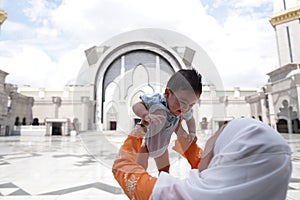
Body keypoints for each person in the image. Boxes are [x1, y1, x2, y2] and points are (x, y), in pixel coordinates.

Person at [112, 117, 292, 200]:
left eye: (212, 143)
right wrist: (179, 130)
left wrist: (141, 127)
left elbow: (122, 167)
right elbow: (205, 162)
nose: (204, 149)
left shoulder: (175, 195)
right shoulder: (266, 183)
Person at [132, 68, 202, 173]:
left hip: (162, 147)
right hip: (147, 144)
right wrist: (146, 114)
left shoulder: (184, 110)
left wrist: (192, 132)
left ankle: (163, 181)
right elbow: (137, 105)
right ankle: (138, 181)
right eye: (182, 102)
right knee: (140, 167)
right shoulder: (156, 102)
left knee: (165, 168)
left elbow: (190, 119)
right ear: (167, 93)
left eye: (191, 105)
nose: (186, 108)